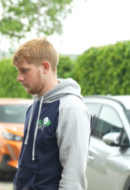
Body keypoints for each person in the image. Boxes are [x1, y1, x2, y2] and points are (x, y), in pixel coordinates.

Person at [12, 37, 91, 190]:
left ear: (45, 67)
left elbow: (73, 177)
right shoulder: (34, 105)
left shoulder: (71, 109)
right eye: (18, 71)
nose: (19, 78)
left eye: (25, 70)